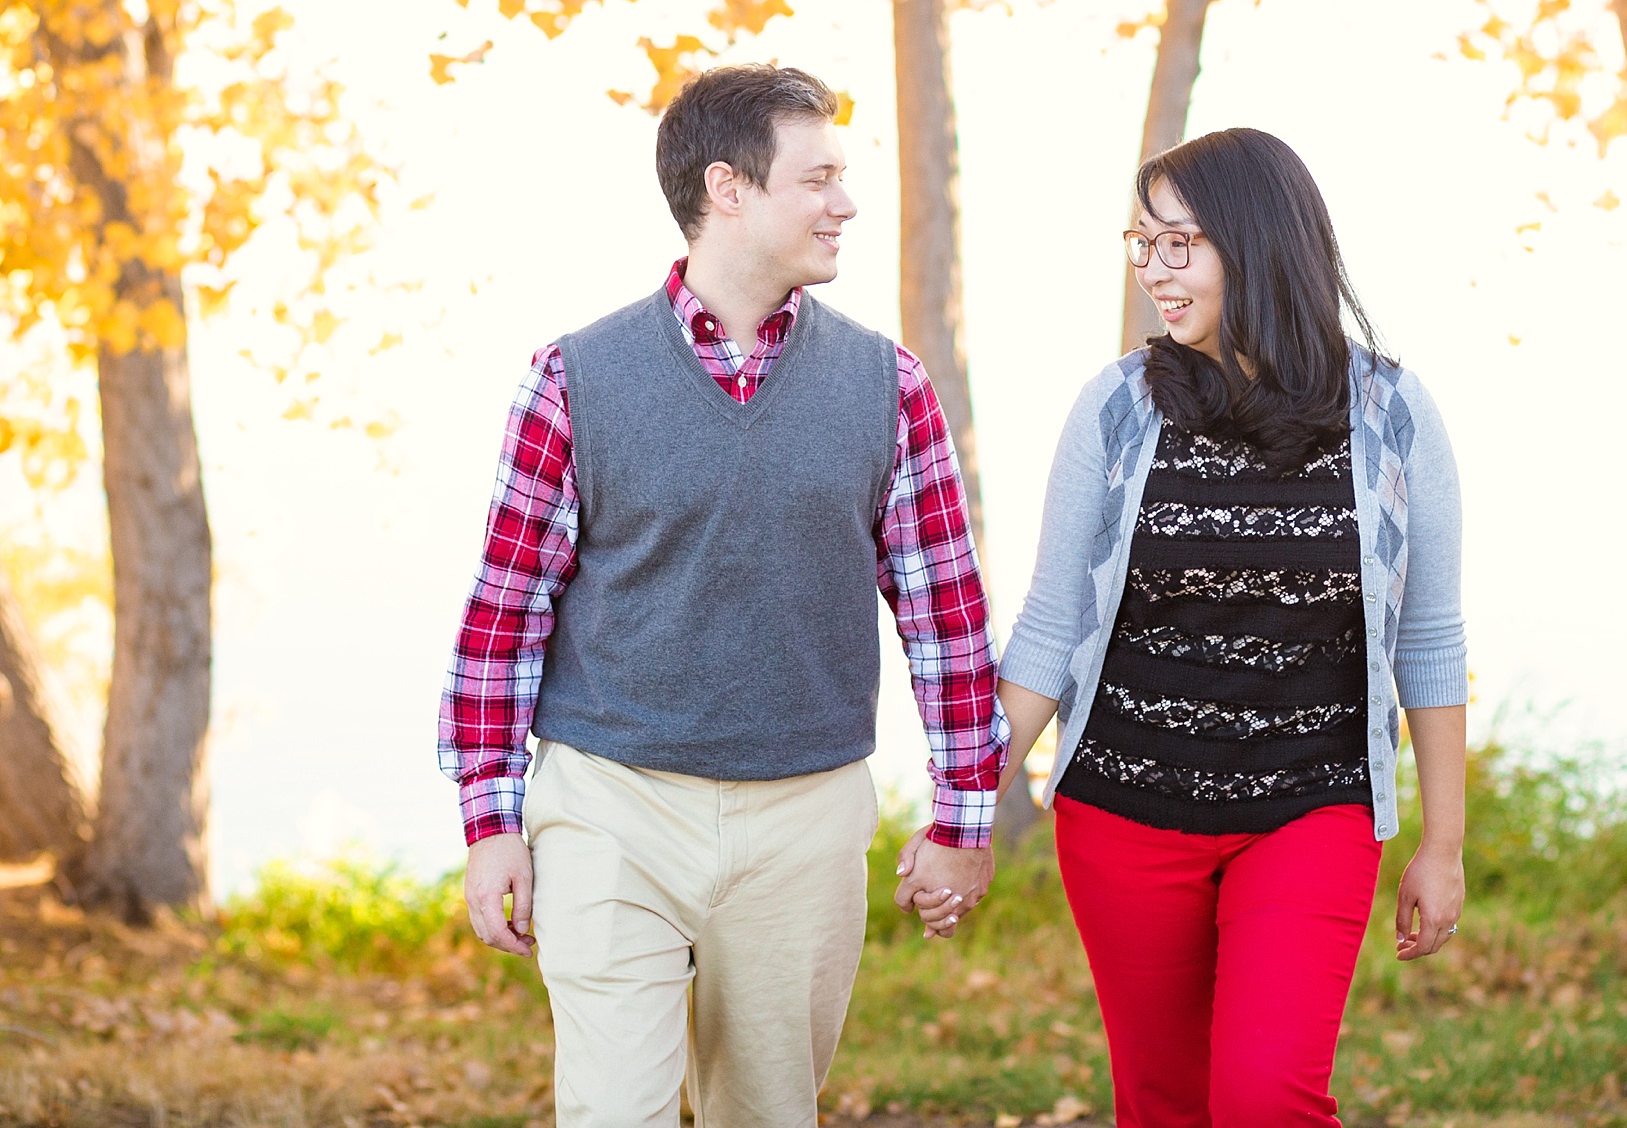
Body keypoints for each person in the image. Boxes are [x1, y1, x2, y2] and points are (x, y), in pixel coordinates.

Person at [439, 64, 1009, 1128]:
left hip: (805, 812)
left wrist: (962, 813)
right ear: (728, 189)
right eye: (820, 177)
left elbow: (945, 618)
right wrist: (490, 819)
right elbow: (503, 616)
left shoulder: (889, 387)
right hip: (610, 806)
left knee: (767, 1112)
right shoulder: (573, 377)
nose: (844, 202)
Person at [909, 128, 1468, 1126]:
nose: (1154, 271)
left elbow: (1426, 638)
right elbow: (1052, 624)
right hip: (1122, 812)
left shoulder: (1391, 414)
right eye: (1141, 244)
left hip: (1311, 808)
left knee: (1264, 1099)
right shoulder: (1119, 407)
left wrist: (1443, 841)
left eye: (1180, 244)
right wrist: (968, 809)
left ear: (1257, 243)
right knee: (1163, 1103)